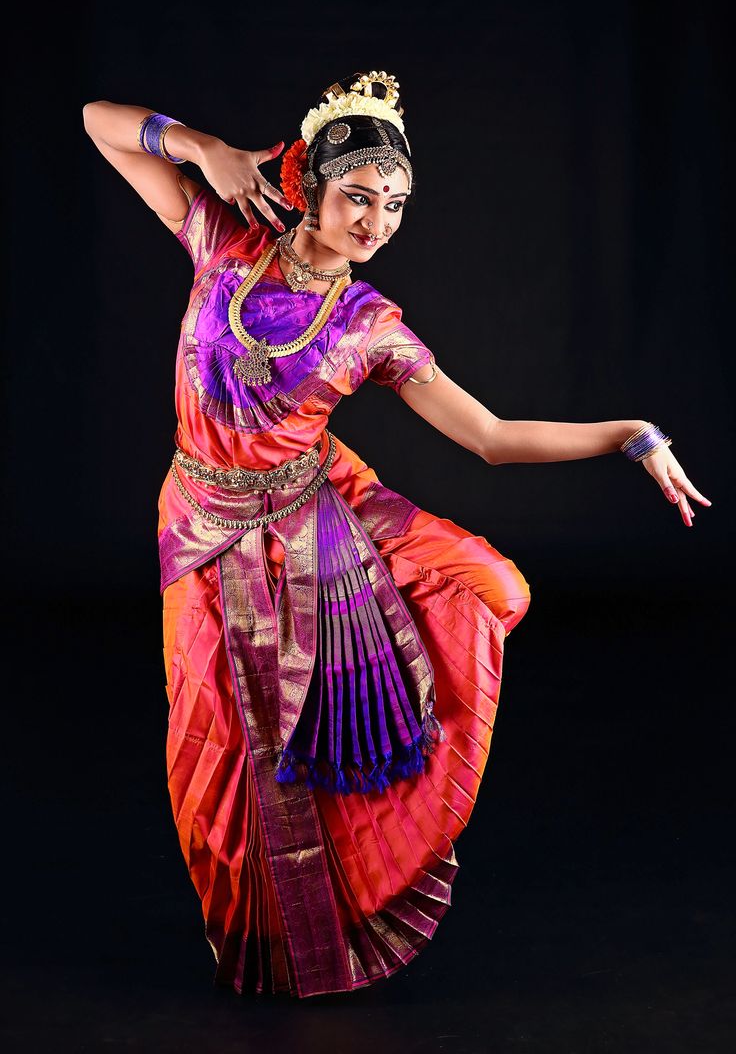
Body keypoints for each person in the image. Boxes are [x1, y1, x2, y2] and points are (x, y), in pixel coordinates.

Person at [82, 70, 711, 1000]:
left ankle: (310, 929)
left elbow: (490, 438)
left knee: (437, 631)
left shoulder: (370, 325)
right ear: (310, 185)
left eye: (397, 205)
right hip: (199, 526)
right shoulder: (222, 241)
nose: (378, 221)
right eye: (361, 196)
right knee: (208, 743)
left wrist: (629, 435)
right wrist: (203, 147)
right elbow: (100, 123)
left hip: (305, 528)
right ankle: (245, 931)